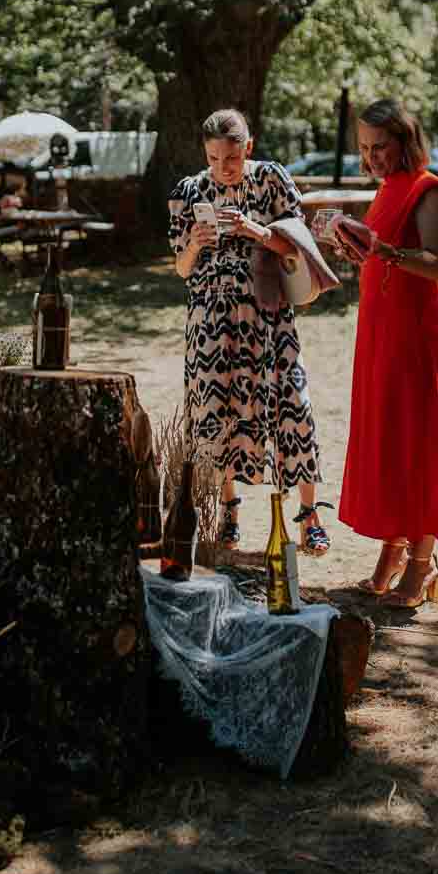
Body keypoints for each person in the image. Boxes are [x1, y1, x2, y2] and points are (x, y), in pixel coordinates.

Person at [168, 108, 331, 552]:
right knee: (215, 414)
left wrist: (253, 229)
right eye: (214, 158)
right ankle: (229, 511)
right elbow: (182, 270)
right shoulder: (189, 191)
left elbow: (298, 246)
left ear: (249, 148)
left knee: (291, 406)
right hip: (210, 321)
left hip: (267, 314)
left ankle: (309, 514)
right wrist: (195, 245)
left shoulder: (271, 180)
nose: (223, 169)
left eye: (232, 158)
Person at [332, 99, 438, 609]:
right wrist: (357, 248)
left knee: (418, 447)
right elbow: (381, 250)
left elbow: (437, 264)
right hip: (379, 335)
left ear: (405, 142)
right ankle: (393, 549)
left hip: (415, 338)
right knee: (388, 444)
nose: (372, 157)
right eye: (363, 148)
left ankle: (423, 564)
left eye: (380, 146)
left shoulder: (431, 191)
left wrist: (383, 251)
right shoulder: (386, 190)